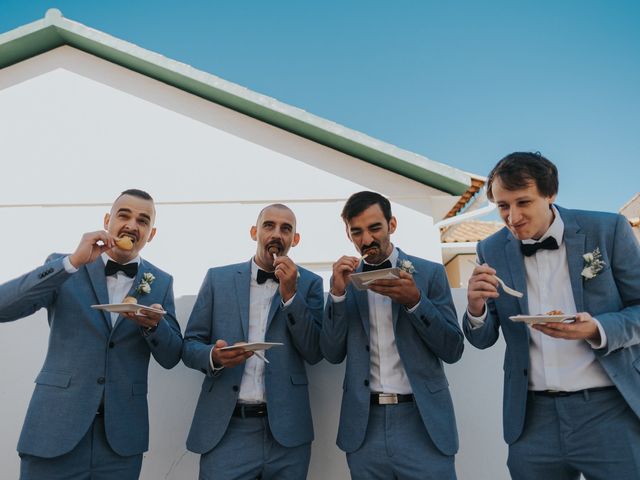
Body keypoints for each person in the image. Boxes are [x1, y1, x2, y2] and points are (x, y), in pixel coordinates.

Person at [464, 152, 640, 479]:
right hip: (532, 420)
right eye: (503, 206)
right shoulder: (490, 249)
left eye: (523, 202)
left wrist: (597, 328)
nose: (512, 217)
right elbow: (482, 337)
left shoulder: (607, 229)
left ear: (550, 194)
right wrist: (475, 308)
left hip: (609, 409)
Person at [0, 189, 183, 479]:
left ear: (152, 233)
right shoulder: (66, 265)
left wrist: (153, 325)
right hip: (54, 431)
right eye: (124, 215)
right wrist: (71, 262)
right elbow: (3, 306)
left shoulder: (160, 282)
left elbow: (173, 355)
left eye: (143, 220)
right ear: (108, 220)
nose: (132, 225)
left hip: (120, 445)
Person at [321, 191, 463, 480]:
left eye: (375, 228)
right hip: (365, 425)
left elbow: (453, 349)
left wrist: (415, 302)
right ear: (349, 235)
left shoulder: (431, 274)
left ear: (392, 225)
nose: (366, 239)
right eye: (357, 232)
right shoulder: (344, 282)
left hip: (423, 421)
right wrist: (336, 294)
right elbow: (332, 352)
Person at [182, 203, 323, 480]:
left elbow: (314, 351)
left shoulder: (310, 283)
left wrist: (291, 295)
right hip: (227, 428)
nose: (276, 234)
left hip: (287, 432)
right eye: (269, 225)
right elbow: (190, 345)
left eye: (286, 228)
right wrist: (214, 356)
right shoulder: (217, 279)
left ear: (295, 239)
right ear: (254, 232)